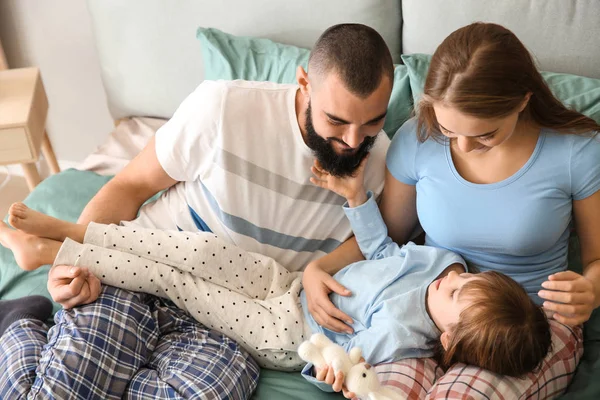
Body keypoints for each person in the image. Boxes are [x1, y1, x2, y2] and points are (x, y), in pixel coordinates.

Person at [0, 23, 394, 399]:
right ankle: (30, 311)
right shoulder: (225, 108)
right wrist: (74, 265)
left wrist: (318, 270)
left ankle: (20, 328)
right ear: (304, 83)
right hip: (139, 273)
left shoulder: (383, 167)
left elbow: (374, 251)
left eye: (372, 123)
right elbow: (129, 186)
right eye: (336, 121)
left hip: (229, 321)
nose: (353, 141)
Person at [0, 154, 551, 386]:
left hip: (285, 333)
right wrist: (357, 197)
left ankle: (50, 254)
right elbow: (383, 249)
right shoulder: (442, 264)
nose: (455, 281)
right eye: (470, 279)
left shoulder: (405, 337)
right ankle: (69, 229)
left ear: (449, 334)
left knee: (179, 282)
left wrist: (335, 373)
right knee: (190, 250)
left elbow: (345, 364)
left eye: (458, 295)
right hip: (286, 284)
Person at [303, 22, 600, 397]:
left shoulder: (577, 151)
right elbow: (387, 239)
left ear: (523, 100)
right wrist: (318, 268)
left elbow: (597, 259)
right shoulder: (417, 139)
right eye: (448, 129)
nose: (461, 147)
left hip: (526, 326)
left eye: (484, 135)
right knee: (380, 392)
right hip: (425, 316)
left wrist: (591, 288)